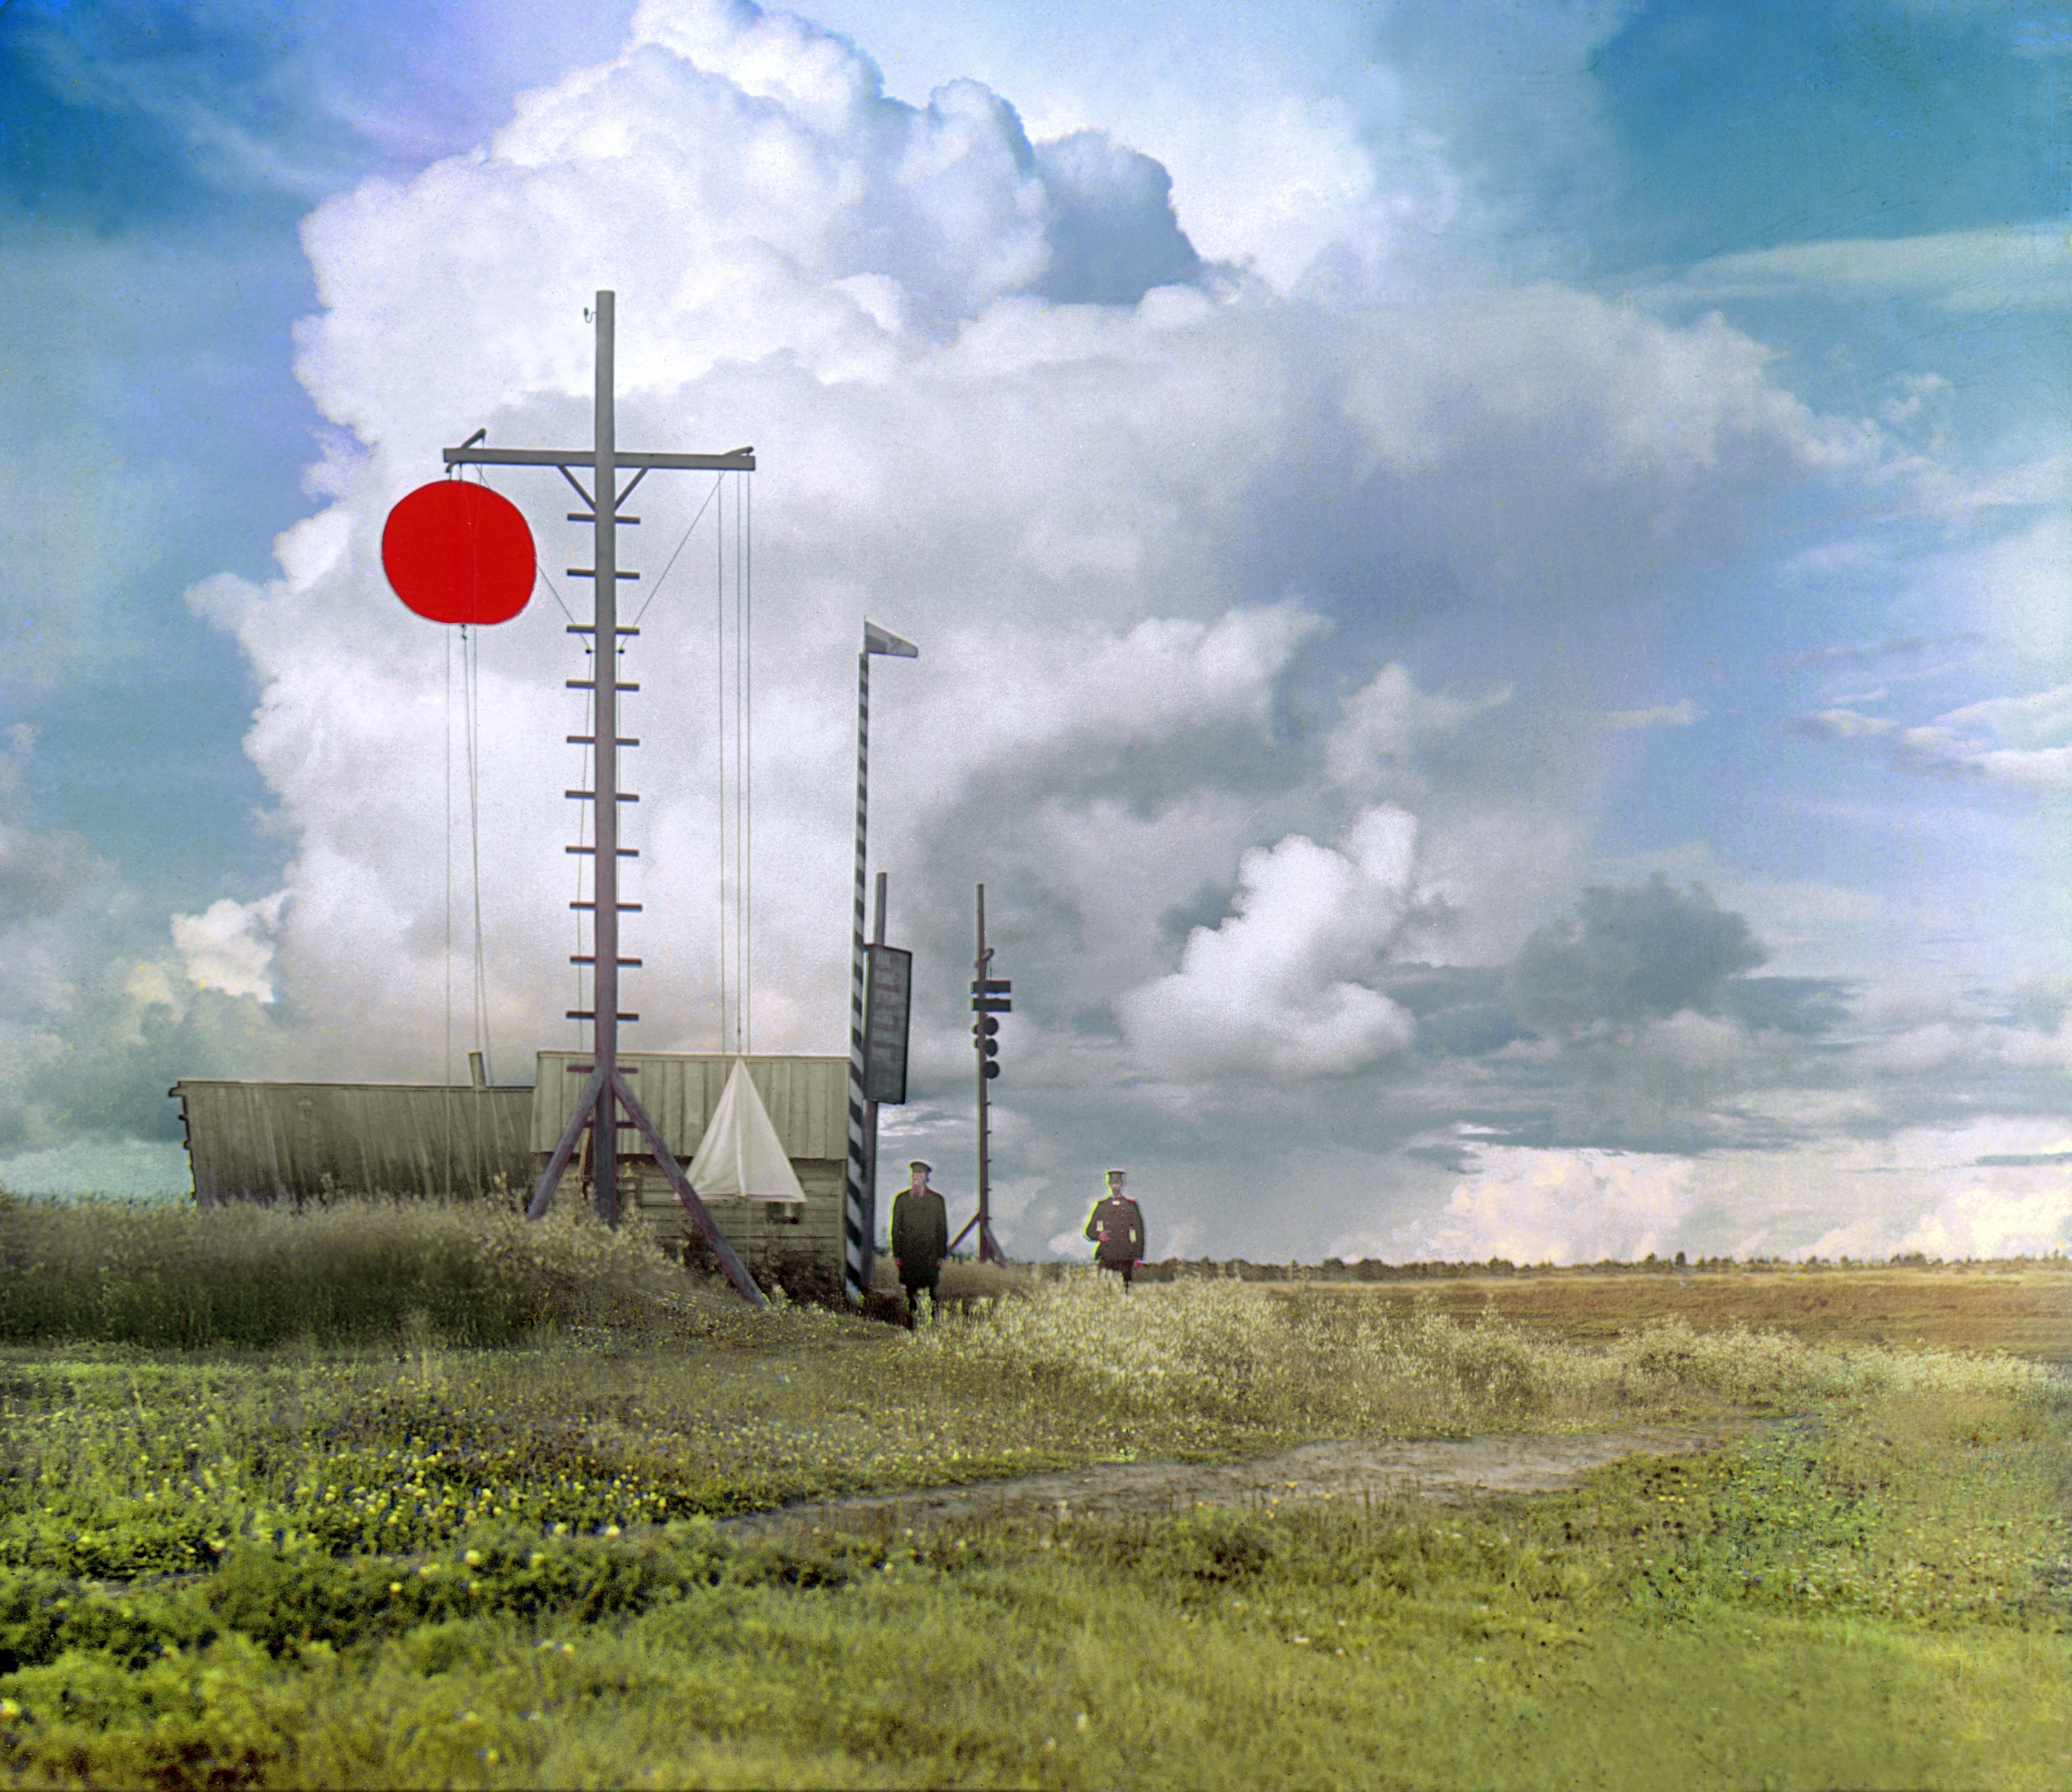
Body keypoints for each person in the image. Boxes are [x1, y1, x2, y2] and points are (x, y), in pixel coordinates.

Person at [889, 1159, 948, 1327]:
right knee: (910, 1291)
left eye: (920, 1175)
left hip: (929, 1253)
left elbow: (942, 1229)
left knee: (932, 1291)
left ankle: (933, 1322)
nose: (916, 1178)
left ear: (926, 1178)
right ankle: (911, 1323)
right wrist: (897, 1253)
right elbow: (895, 1228)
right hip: (909, 1253)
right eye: (914, 1174)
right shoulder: (901, 1200)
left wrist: (941, 1254)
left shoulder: (936, 1201)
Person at [1083, 1168, 1144, 1290]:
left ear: (1121, 1185)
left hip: (1126, 1254)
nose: (1114, 1187)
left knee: (1126, 1289)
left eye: (1117, 1184)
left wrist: (1138, 1257)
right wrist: (1099, 1235)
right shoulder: (1101, 1206)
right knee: (1105, 1289)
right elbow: (1088, 1231)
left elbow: (1139, 1232)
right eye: (1112, 1184)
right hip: (1107, 1254)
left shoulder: (1131, 1206)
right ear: (1108, 1185)